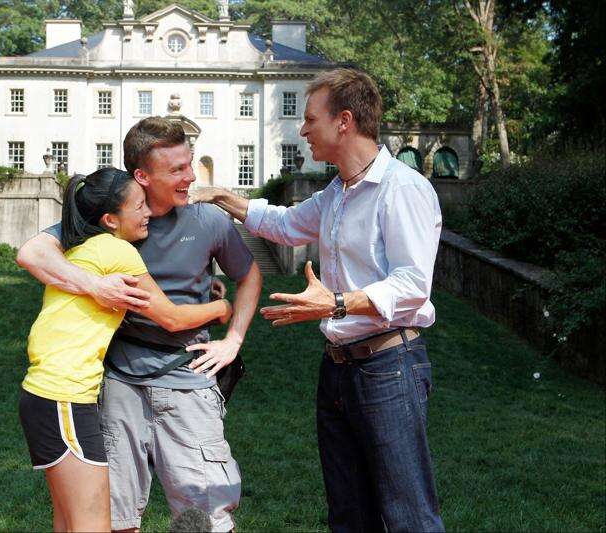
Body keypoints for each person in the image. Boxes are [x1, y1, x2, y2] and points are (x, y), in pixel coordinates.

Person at [190, 67, 445, 532]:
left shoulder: (403, 189)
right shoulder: (337, 192)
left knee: (408, 516)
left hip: (389, 367)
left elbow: (412, 285)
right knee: (348, 515)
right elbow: (286, 225)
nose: (303, 130)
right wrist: (224, 197)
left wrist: (337, 303)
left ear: (344, 121)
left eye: (310, 119)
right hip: (338, 369)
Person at [17, 117, 262, 532]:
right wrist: (98, 287)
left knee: (206, 519)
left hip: (187, 380)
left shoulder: (208, 221)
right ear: (142, 177)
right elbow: (32, 253)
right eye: (177, 169)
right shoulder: (112, 217)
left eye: (190, 164)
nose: (190, 177)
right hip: (119, 384)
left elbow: (250, 274)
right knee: (115, 518)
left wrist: (234, 337)